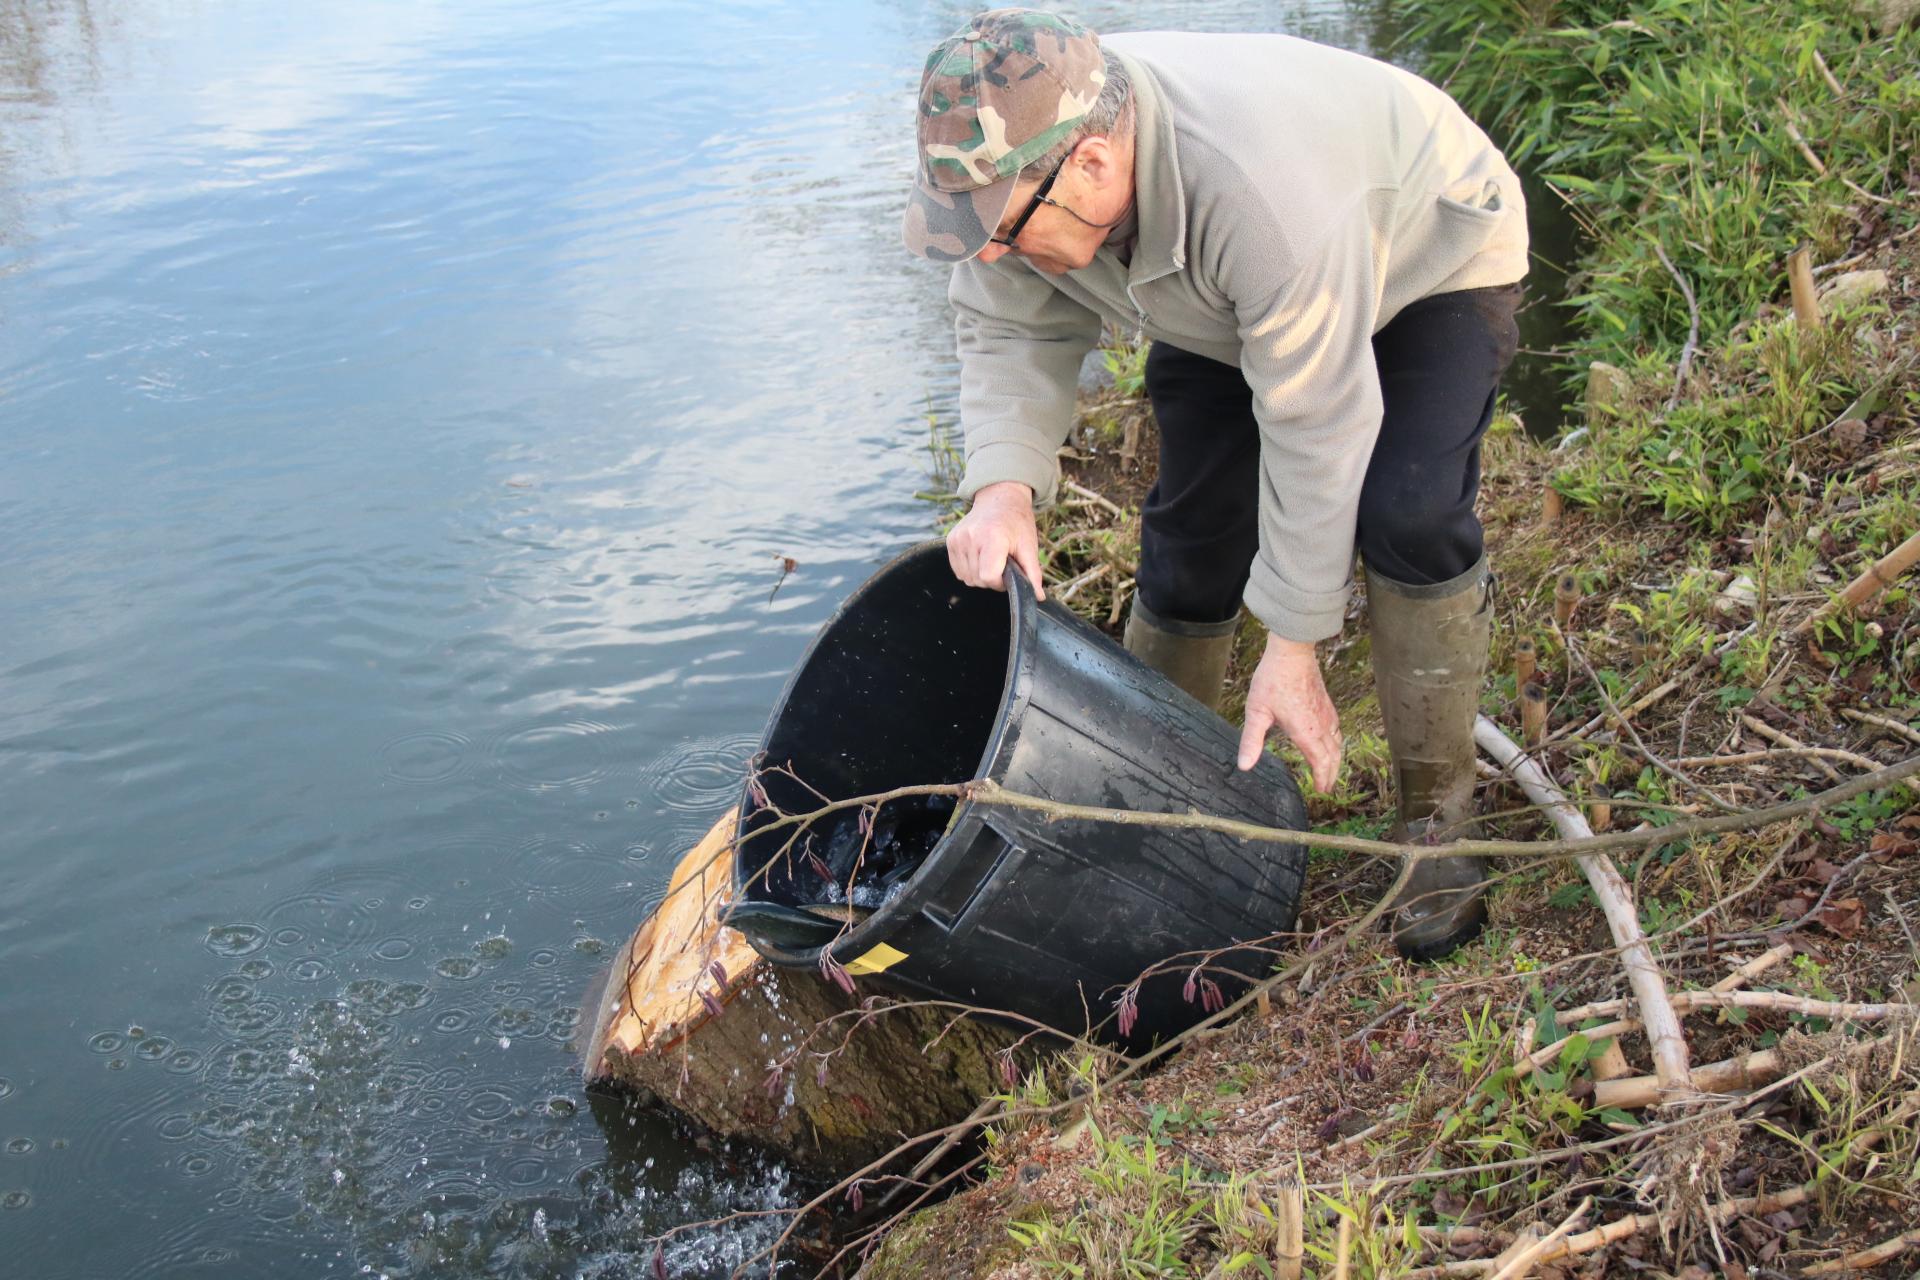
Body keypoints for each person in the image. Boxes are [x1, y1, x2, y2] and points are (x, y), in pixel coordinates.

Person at [901, 9, 1529, 958]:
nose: (990, 252)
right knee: (1193, 532)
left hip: (1424, 248)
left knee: (1409, 510)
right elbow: (1006, 328)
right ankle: (1151, 801)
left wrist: (1296, 641)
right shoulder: (1028, 178)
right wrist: (1002, 489)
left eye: (1004, 232)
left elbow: (1316, 422)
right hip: (1227, 305)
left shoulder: (1262, 195)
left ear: (1097, 167)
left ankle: (1436, 828)